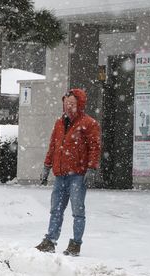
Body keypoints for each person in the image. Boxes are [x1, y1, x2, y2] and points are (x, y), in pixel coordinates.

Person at [36, 88, 101, 256]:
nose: (68, 106)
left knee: (78, 210)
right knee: (56, 209)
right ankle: (50, 240)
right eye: (66, 103)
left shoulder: (89, 123)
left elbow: (95, 147)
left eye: (72, 103)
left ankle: (75, 244)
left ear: (80, 104)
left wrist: (92, 168)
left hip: (77, 175)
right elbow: (53, 146)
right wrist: (46, 166)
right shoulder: (59, 123)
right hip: (60, 174)